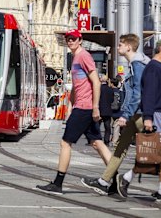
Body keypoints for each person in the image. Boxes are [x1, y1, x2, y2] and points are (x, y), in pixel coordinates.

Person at [37, 29, 111, 194]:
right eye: (68, 39)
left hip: (85, 108)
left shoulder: (83, 56)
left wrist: (95, 107)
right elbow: (77, 88)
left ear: (80, 40)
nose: (70, 41)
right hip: (82, 107)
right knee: (97, 143)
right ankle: (116, 178)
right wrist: (70, 106)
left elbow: (96, 82)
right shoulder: (75, 58)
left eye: (73, 39)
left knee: (65, 143)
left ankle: (58, 183)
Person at [81, 33, 150, 196]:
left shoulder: (138, 64)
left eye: (120, 44)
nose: (118, 47)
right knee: (120, 147)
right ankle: (104, 181)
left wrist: (126, 114)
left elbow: (138, 93)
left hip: (140, 114)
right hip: (137, 114)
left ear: (129, 47)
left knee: (155, 152)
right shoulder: (136, 64)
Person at [128, 38, 161, 201]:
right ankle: (129, 177)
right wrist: (148, 117)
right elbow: (148, 93)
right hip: (158, 113)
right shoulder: (153, 68)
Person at [99, 75, 114, 146]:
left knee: (96, 125)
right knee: (107, 127)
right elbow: (112, 100)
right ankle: (106, 141)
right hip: (107, 110)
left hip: (99, 110)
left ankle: (96, 139)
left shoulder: (98, 88)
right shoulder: (110, 89)